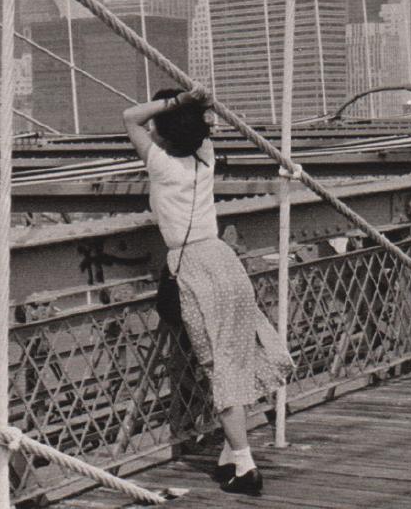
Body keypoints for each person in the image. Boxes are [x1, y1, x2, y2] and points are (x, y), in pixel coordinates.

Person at [123, 85, 293, 497]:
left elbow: (130, 117)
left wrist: (177, 103)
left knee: (218, 366)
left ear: (162, 129)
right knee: (237, 354)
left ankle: (246, 464)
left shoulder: (161, 164)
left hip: (193, 267)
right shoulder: (205, 157)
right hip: (223, 260)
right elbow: (204, 118)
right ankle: (231, 458)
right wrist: (192, 104)